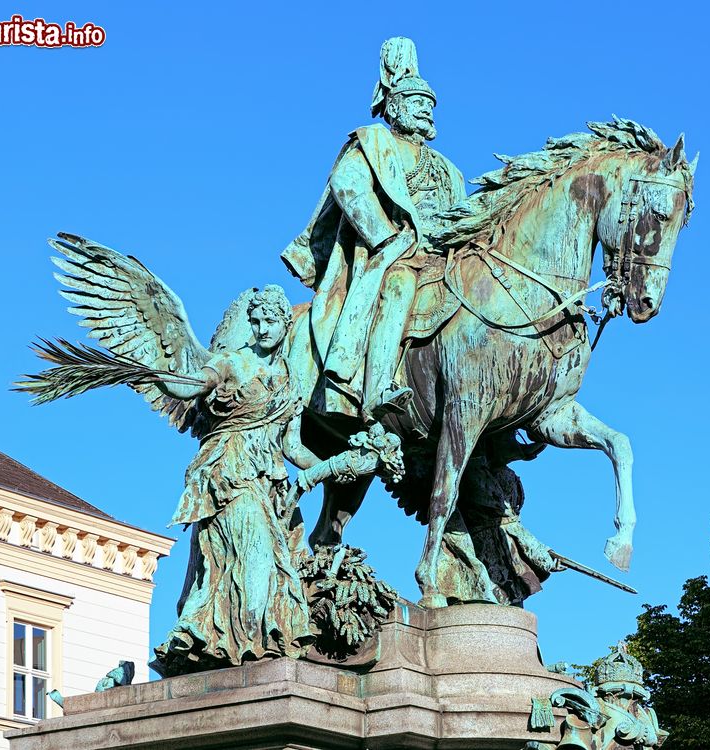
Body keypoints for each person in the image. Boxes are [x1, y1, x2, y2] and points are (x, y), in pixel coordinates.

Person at [282, 37, 466, 421]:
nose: (427, 112)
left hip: (442, 256)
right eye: (418, 104)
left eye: (430, 107)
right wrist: (386, 236)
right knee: (398, 286)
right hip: (395, 252)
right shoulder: (374, 142)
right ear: (395, 106)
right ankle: (378, 387)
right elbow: (347, 185)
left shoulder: (450, 170)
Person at [151, 285, 321, 675]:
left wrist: (337, 466)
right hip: (227, 476)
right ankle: (240, 658)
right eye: (256, 321)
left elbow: (293, 447)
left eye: (270, 322)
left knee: (271, 574)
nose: (262, 328)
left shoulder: (289, 383)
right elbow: (189, 386)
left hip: (268, 486)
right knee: (256, 563)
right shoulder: (232, 362)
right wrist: (158, 375)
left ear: (284, 324)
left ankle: (239, 654)